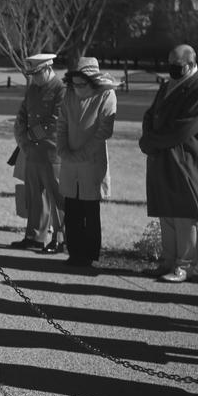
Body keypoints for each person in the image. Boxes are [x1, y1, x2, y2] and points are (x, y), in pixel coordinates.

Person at [138, 44, 198, 283]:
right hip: (163, 156)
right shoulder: (167, 86)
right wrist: (148, 137)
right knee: (166, 213)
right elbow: (150, 115)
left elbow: (185, 127)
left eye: (177, 65)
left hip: (185, 159)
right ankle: (168, 260)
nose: (172, 69)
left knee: (183, 214)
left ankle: (186, 264)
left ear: (191, 65)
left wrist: (153, 142)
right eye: (170, 63)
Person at [56, 57, 118, 268]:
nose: (77, 88)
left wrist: (81, 154)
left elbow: (104, 130)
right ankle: (74, 252)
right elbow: (62, 123)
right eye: (74, 83)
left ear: (93, 81)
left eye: (82, 84)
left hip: (92, 163)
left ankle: (90, 255)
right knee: (72, 209)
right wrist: (63, 148)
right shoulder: (69, 95)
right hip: (70, 161)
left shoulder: (106, 95)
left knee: (90, 211)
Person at [11, 52, 65, 253]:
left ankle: (60, 239)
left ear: (48, 69)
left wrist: (32, 134)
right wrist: (23, 136)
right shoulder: (33, 88)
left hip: (52, 152)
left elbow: (56, 120)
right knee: (35, 196)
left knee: (57, 198)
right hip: (33, 152)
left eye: (37, 73)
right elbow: (23, 112)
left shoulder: (60, 89)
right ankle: (35, 236)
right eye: (32, 74)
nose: (34, 77)